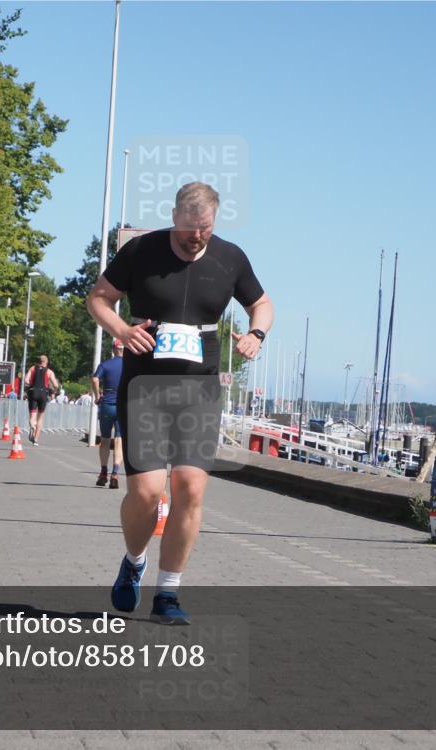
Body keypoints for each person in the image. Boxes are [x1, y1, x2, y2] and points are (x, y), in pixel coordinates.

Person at [86, 181, 273, 625]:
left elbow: (262, 303)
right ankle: (134, 561)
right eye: (190, 229)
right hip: (146, 387)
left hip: (199, 390)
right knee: (147, 494)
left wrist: (256, 335)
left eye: (205, 229)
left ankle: (167, 594)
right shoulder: (141, 252)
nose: (197, 238)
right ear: (174, 217)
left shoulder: (230, 257)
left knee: (190, 488)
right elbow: (99, 297)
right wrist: (121, 330)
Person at [92, 339, 125, 490]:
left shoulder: (105, 364)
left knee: (105, 439)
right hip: (123, 406)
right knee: (119, 440)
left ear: (113, 349)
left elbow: (94, 378)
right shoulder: (129, 366)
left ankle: (103, 472)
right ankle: (115, 473)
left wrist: (97, 395)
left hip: (107, 404)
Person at [23, 354, 60, 445]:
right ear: (46, 362)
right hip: (43, 393)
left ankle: (32, 426)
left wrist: (32, 383)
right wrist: (53, 391)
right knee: (40, 418)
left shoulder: (32, 368)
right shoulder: (49, 371)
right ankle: (35, 439)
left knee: (32, 415)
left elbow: (26, 380)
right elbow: (56, 385)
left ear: (38, 361)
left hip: (33, 391)